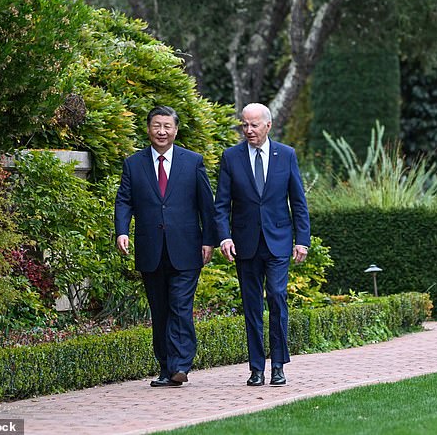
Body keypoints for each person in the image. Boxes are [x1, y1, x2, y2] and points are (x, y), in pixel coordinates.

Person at [115, 105, 216, 387]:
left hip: (187, 249)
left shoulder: (192, 161)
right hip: (151, 250)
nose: (162, 131)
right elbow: (124, 200)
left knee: (181, 307)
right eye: (156, 126)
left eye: (167, 126)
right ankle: (165, 368)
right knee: (160, 311)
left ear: (175, 129)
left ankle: (181, 364)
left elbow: (206, 205)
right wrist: (122, 231)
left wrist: (210, 239)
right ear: (148, 129)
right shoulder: (133, 164)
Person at [214, 102, 310, 386]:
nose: (248, 130)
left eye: (254, 125)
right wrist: (224, 236)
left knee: (278, 299)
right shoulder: (231, 157)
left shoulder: (286, 155)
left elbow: (298, 202)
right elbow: (221, 205)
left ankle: (278, 365)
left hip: (278, 242)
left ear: (268, 125)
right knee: (251, 306)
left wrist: (301, 240)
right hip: (245, 243)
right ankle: (256, 368)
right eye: (244, 124)